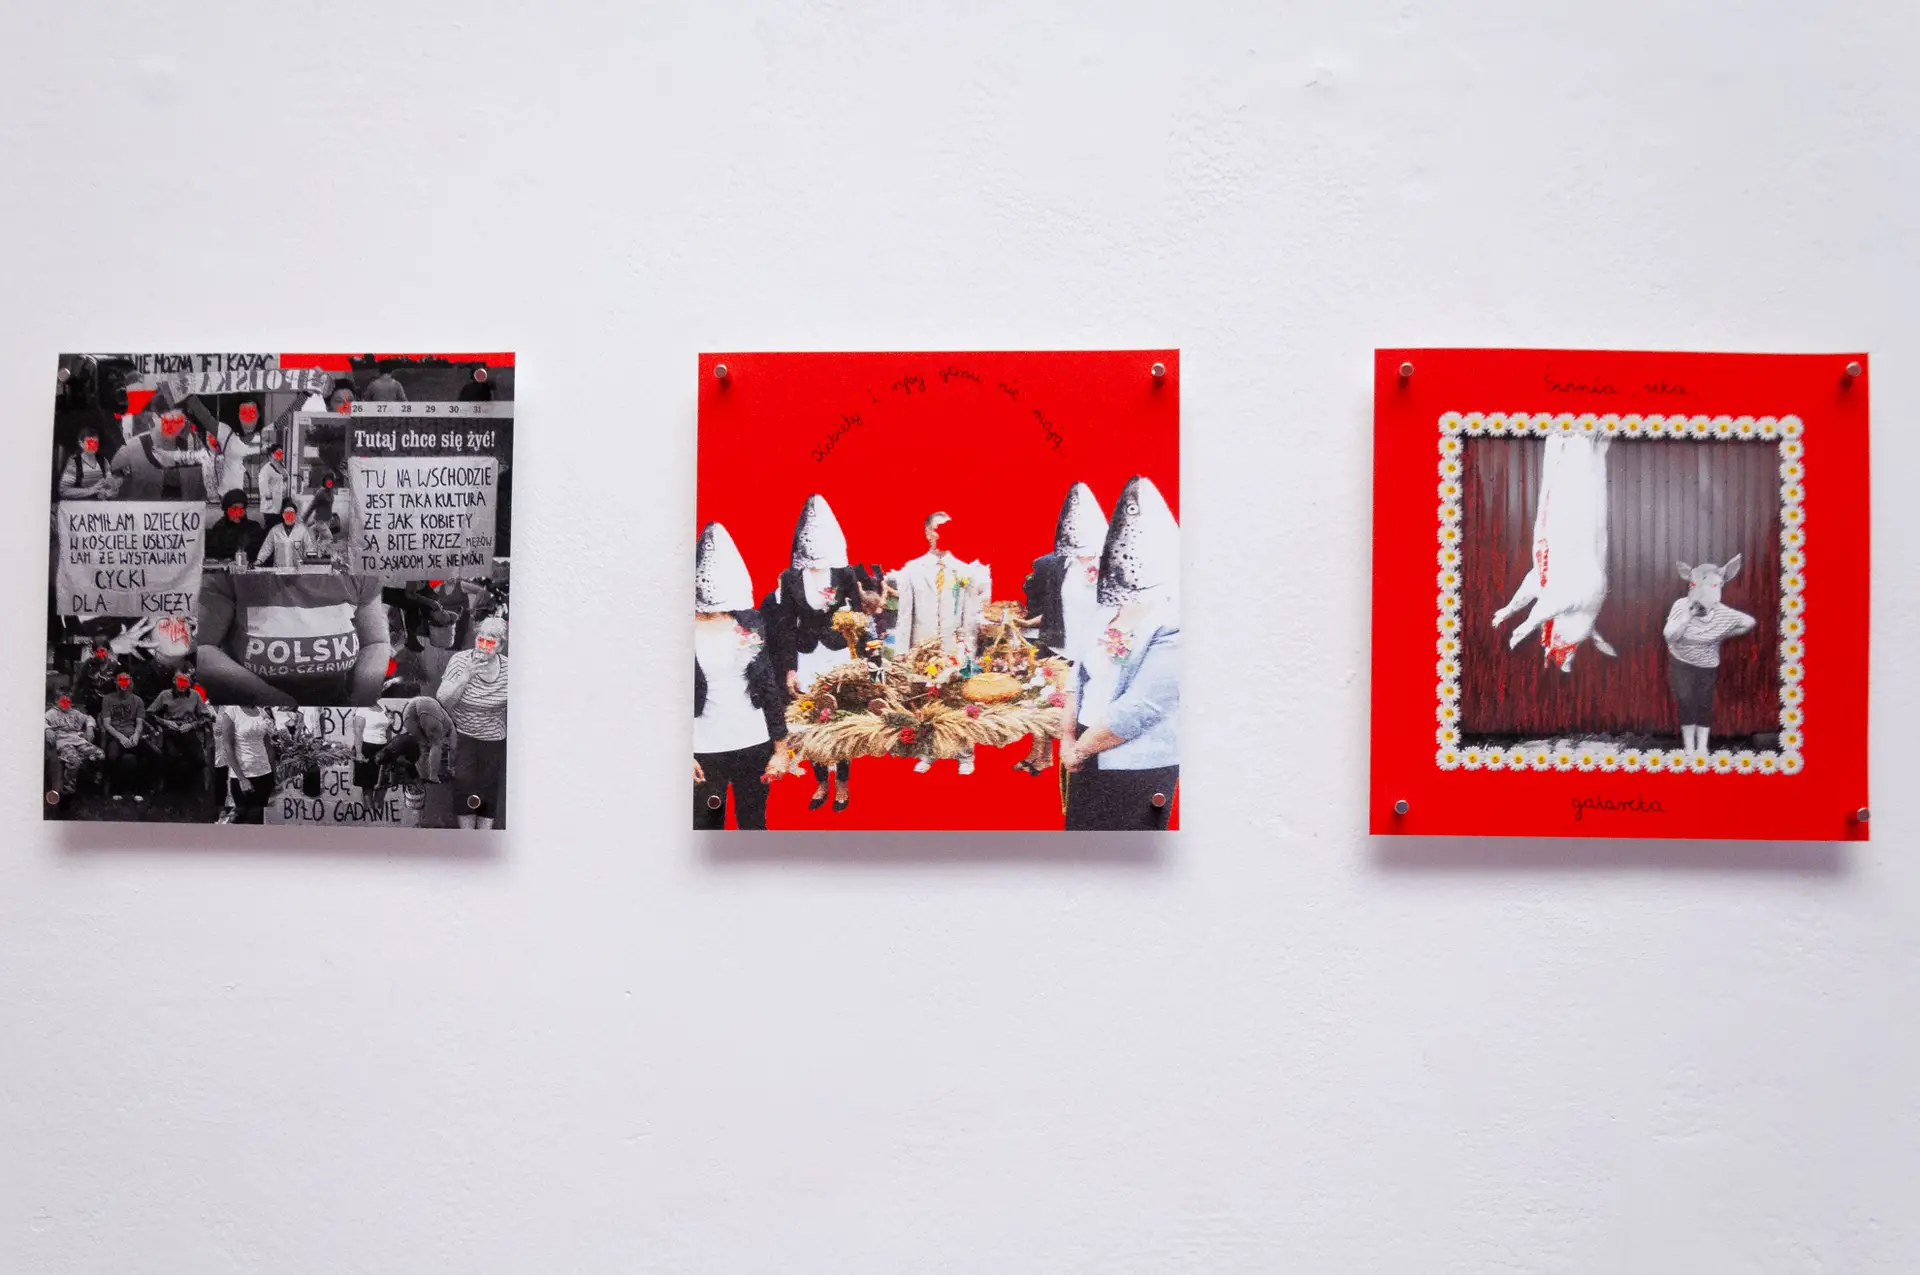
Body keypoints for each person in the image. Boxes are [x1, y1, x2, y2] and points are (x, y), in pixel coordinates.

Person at [1062, 475, 1180, 831]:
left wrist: (1080, 749)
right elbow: (1077, 677)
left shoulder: (1174, 620)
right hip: (1085, 749)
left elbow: (1145, 706)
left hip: (1135, 763)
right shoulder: (1105, 612)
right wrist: (1068, 737)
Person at [765, 495, 879, 811]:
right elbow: (787, 626)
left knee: (839, 715)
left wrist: (862, 657)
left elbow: (859, 616)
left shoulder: (844, 574)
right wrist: (790, 668)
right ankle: (820, 781)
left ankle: (841, 781)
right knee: (811, 715)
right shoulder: (790, 578)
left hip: (838, 652)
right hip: (807, 654)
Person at [692, 523, 788, 830]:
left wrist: (781, 749)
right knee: (707, 828)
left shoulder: (750, 621)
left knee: (754, 825)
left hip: (753, 744)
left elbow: (768, 683)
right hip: (704, 749)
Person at [1015, 481, 1108, 775]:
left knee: (1084, 711)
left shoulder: (1113, 566)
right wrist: (1024, 624)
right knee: (1044, 702)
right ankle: (1041, 754)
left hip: (1096, 653)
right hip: (1058, 649)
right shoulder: (1055, 565)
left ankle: (1080, 757)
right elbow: (1050, 609)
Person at [195, 567, 391, 706]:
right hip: (249, 709)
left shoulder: (357, 569)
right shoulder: (232, 571)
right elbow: (202, 648)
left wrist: (360, 703)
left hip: (334, 706)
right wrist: (268, 698)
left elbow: (375, 642)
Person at [890, 511, 991, 775]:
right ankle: (928, 751)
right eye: (937, 529)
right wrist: (901, 651)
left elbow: (970, 614)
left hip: (954, 646)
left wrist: (969, 649)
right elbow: (904, 614)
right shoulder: (912, 569)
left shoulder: (965, 570)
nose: (942, 535)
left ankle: (965, 754)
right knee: (925, 701)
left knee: (958, 699)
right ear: (927, 533)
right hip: (922, 648)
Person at [1664, 556, 1759, 761]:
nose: (1703, 593)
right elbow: (1669, 635)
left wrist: (1722, 635)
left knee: (1704, 702)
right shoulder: (1681, 606)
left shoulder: (1723, 613)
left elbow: (1749, 622)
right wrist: (1688, 617)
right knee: (1685, 700)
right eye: (1695, 585)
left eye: (1713, 586)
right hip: (1681, 661)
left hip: (1707, 665)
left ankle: (1702, 747)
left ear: (1720, 586)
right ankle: (1689, 747)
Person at [437, 615, 510, 829]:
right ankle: (468, 839)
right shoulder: (460, 661)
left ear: (500, 646)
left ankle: (484, 837)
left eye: (491, 639)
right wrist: (465, 676)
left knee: (488, 790)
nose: (484, 644)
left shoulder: (510, 669)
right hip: (463, 734)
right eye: (481, 637)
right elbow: (443, 701)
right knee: (464, 786)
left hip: (494, 737)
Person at [110, 409, 207, 501]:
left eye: (179, 421)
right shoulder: (130, 450)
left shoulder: (193, 449)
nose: (173, 426)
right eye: (168, 420)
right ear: (154, 417)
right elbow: (113, 490)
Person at [147, 669, 210, 792]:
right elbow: (149, 713)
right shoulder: (165, 695)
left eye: (185, 682)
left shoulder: (195, 695)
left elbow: (206, 717)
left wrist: (192, 725)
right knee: (172, 756)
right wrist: (165, 722)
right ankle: (171, 788)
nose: (182, 684)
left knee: (199, 759)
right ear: (174, 681)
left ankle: (192, 786)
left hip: (189, 731)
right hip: (170, 731)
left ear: (189, 683)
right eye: (180, 680)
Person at [217, 705, 278, 824]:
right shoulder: (231, 712)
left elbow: (268, 745)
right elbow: (228, 746)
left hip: (264, 772)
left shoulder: (261, 712)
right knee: (245, 819)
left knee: (259, 818)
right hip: (244, 775)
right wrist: (242, 779)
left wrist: (274, 774)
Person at [98, 670, 152, 800]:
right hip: (115, 735)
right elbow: (107, 724)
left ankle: (140, 790)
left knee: (152, 754)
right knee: (113, 756)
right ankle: (115, 790)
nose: (123, 683)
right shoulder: (108, 699)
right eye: (120, 680)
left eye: (126, 680)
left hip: (133, 735)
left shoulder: (137, 700)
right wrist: (121, 737)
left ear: (130, 682)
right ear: (116, 683)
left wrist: (136, 735)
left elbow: (139, 723)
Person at [44, 692, 104, 801]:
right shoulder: (51, 713)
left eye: (68, 702)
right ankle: (67, 789)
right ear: (56, 701)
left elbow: (89, 718)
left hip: (78, 740)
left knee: (100, 755)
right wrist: (47, 729)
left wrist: (90, 728)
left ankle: (93, 779)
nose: (66, 704)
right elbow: (41, 721)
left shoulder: (75, 713)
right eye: (63, 701)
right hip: (63, 742)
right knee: (74, 762)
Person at [57, 421, 117, 500]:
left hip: (99, 506)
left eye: (96, 443)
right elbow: (64, 491)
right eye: (90, 443)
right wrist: (90, 490)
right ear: (81, 444)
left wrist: (111, 490)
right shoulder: (74, 463)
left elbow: (110, 488)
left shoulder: (103, 461)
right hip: (79, 506)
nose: (93, 446)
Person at [205, 489, 266, 565]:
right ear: (226, 510)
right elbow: (212, 552)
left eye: (241, 510)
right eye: (234, 509)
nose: (237, 513)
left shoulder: (253, 528)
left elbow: (258, 554)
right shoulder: (219, 527)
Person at [255, 499, 313, 569]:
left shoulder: (302, 530)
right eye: (287, 513)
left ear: (295, 515)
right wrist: (259, 561)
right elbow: (266, 548)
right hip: (279, 571)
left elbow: (309, 549)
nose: (289, 515)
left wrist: (309, 563)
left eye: (292, 513)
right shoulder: (275, 530)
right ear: (283, 515)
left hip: (297, 570)